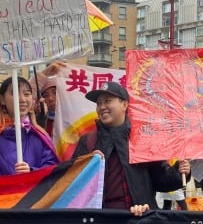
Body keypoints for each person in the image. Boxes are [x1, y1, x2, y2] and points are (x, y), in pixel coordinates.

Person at [71, 81, 190, 211]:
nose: (102, 107)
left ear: (124, 104)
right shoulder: (88, 141)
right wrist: (87, 165)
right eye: (99, 103)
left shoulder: (142, 139)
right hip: (99, 222)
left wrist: (179, 171)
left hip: (138, 220)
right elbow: (73, 183)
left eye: (108, 101)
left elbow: (160, 180)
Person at [0, 76, 59, 176]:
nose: (22, 99)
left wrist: (32, 172)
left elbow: (52, 168)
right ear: (2, 99)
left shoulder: (39, 135)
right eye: (15, 93)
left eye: (27, 94)